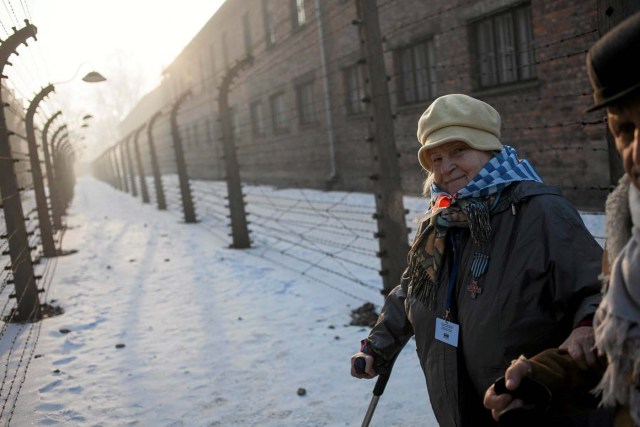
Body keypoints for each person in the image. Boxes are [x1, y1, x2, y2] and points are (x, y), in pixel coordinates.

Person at [350, 93, 604, 426]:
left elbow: (599, 288)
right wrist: (377, 346)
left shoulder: (539, 212)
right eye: (435, 157)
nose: (446, 166)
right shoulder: (439, 221)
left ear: (489, 149)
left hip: (529, 406)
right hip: (455, 406)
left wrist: (587, 328)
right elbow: (413, 287)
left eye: (459, 150)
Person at [483, 11, 640, 427]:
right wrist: (542, 379)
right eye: (624, 129)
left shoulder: (540, 210)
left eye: (459, 154)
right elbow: (616, 351)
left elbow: (587, 300)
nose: (636, 153)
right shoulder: (628, 228)